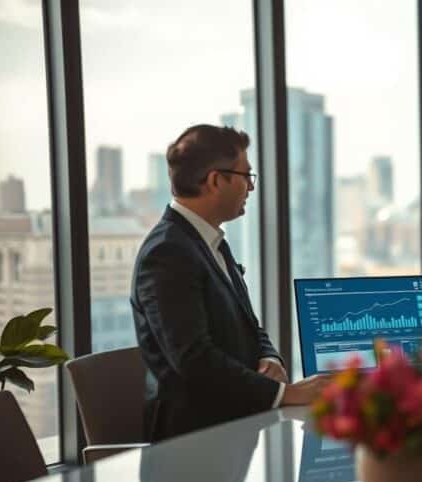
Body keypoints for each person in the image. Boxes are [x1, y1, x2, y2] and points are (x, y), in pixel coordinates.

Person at [131, 124, 329, 442]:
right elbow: (195, 361)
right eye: (246, 176)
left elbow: (248, 324)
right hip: (190, 447)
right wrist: (285, 394)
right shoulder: (167, 253)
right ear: (215, 181)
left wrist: (270, 358)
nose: (251, 188)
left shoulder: (210, 242)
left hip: (234, 431)